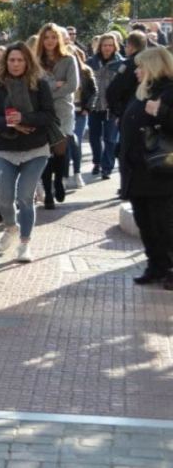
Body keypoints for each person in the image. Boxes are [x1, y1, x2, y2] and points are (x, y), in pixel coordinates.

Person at [0, 42, 56, 262]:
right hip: (6, 150)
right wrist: (8, 122)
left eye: (20, 60)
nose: (15, 64)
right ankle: (10, 227)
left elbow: (49, 115)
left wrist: (24, 118)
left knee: (25, 197)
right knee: (4, 199)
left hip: (35, 150)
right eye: (12, 60)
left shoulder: (39, 84)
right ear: (6, 62)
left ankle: (25, 243)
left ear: (28, 62)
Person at [120, 47, 173, 290]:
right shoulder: (142, 91)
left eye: (141, 66)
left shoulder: (168, 91)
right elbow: (114, 95)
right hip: (138, 170)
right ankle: (156, 265)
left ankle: (169, 267)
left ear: (153, 67)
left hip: (160, 171)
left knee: (164, 222)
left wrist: (161, 112)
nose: (136, 71)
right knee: (145, 222)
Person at [35, 23, 78, 209]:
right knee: (45, 152)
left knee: (60, 150)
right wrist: (55, 85)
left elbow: (72, 86)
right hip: (43, 111)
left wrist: (49, 89)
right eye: (46, 37)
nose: (50, 41)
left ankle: (59, 180)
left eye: (53, 37)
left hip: (63, 110)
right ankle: (48, 192)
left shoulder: (68, 59)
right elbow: (34, 87)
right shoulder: (35, 61)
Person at [107, 31, 147, 185]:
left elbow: (113, 90)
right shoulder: (151, 62)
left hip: (130, 112)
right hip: (148, 112)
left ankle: (128, 183)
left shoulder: (129, 64)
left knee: (127, 150)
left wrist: (117, 112)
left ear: (130, 46)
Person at [87, 31, 124, 178]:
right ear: (100, 46)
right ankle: (97, 161)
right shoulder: (91, 62)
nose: (107, 48)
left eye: (110, 45)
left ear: (115, 46)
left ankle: (107, 168)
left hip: (112, 108)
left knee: (110, 139)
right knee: (94, 137)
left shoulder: (121, 63)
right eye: (104, 45)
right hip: (94, 106)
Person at [69, 48, 96, 189]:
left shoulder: (86, 72)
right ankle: (64, 175)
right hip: (65, 113)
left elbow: (93, 91)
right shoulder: (59, 72)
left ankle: (77, 173)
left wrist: (88, 108)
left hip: (80, 113)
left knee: (76, 141)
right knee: (65, 144)